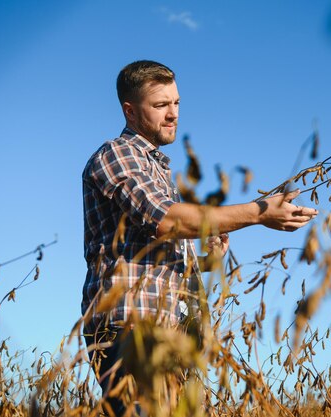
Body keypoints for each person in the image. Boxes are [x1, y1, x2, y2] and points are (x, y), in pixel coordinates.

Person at [81, 60, 317, 416]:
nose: (173, 114)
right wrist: (259, 212)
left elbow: (150, 248)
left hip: (170, 330)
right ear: (130, 111)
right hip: (131, 328)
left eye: (176, 103)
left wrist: (206, 261)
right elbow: (166, 221)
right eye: (161, 105)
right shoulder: (116, 155)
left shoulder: (158, 168)